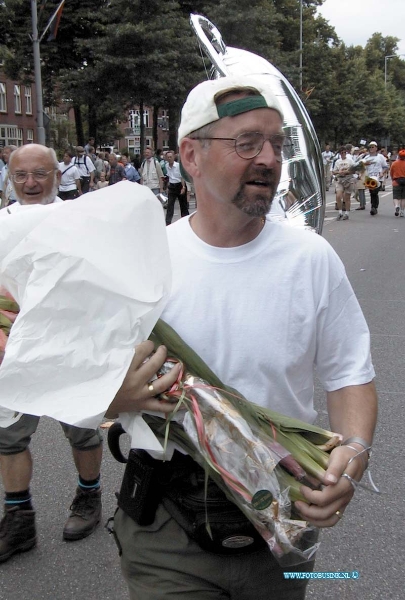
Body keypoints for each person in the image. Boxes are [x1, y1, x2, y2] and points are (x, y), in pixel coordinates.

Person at [109, 74, 377, 600]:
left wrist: (355, 450)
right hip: (167, 527)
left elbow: (349, 373)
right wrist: (116, 396)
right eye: (247, 142)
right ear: (191, 155)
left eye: (277, 144)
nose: (269, 159)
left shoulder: (311, 259)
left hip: (281, 521)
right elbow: (82, 382)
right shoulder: (139, 262)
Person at [0, 144, 103, 563]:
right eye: (21, 175)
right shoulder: (1, 224)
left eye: (39, 174)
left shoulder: (78, 222)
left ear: (57, 175)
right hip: (15, 347)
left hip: (69, 343)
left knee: (81, 426)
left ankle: (89, 498)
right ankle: (19, 518)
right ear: (10, 178)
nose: (30, 183)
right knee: (8, 437)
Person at [363, 141, 388, 216]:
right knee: (371, 192)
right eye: (370, 147)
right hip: (370, 177)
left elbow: (386, 167)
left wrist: (382, 173)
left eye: (373, 147)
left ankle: (374, 207)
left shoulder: (380, 157)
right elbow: (363, 167)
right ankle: (373, 207)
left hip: (378, 177)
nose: (371, 148)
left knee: (375, 191)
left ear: (376, 148)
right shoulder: (367, 157)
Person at [164, 149, 188, 225]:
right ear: (166, 158)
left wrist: (183, 187)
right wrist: (167, 186)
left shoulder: (178, 166)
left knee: (183, 205)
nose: (169, 158)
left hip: (179, 185)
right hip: (172, 186)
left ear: (173, 157)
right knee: (170, 205)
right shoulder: (166, 165)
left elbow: (182, 177)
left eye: (171, 157)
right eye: (168, 157)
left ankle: (185, 221)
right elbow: (168, 176)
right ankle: (168, 222)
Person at [332, 147, 355, 220]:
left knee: (347, 197)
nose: (343, 154)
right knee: (338, 196)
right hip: (340, 180)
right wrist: (339, 172)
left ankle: (347, 213)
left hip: (348, 179)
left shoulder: (350, 161)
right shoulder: (337, 162)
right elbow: (334, 171)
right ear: (340, 154)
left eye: (345, 152)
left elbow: (354, 170)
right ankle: (340, 212)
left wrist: (347, 172)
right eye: (342, 153)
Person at [390, 149, 405, 217]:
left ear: (399, 156)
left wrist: (393, 179)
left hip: (396, 181)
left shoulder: (394, 163)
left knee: (396, 197)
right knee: (403, 198)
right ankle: (402, 211)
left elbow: (391, 173)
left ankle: (396, 206)